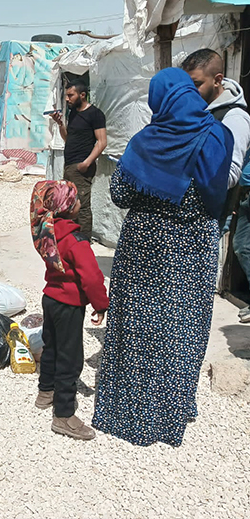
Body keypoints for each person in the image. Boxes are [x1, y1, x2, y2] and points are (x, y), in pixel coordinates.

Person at [92, 68, 233, 447]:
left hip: (144, 246)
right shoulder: (218, 135)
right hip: (192, 248)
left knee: (137, 327)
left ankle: (127, 412)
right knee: (181, 327)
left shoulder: (145, 140)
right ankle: (171, 411)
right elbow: (217, 193)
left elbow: (120, 193)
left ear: (160, 99)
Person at [31, 180, 109, 441]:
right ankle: (64, 415)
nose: (79, 204)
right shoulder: (77, 241)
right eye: (75, 201)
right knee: (71, 358)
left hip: (50, 298)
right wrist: (101, 305)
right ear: (68, 208)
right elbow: (92, 278)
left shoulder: (47, 233)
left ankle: (46, 392)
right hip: (69, 305)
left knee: (51, 346)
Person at [182, 49, 250, 190]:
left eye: (196, 84)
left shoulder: (234, 117)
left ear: (217, 80)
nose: (190, 91)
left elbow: (230, 176)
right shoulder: (196, 109)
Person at [51, 81, 107, 241]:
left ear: (82, 95)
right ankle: (72, 240)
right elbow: (68, 138)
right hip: (70, 166)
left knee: (82, 206)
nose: (67, 99)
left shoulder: (95, 114)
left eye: (70, 95)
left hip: (81, 167)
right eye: (66, 95)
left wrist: (86, 163)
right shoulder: (73, 113)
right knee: (69, 203)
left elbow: (102, 142)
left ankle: (83, 243)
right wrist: (60, 124)